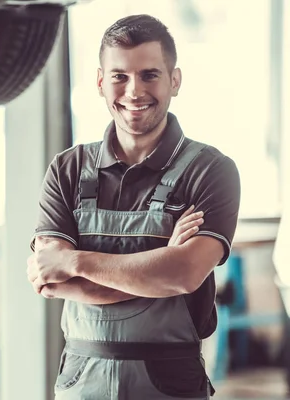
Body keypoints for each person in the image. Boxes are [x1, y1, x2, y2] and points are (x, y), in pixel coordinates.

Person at [26, 14, 241, 400]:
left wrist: (75, 261)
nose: (134, 91)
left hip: (169, 382)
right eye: (119, 76)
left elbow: (185, 274)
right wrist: (158, 264)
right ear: (100, 82)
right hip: (81, 381)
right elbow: (52, 279)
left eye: (149, 75)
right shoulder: (68, 169)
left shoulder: (211, 170)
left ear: (174, 80)